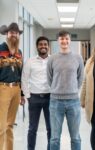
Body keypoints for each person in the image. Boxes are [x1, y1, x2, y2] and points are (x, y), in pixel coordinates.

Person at [47, 30, 84, 150]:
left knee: (75, 137)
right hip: (55, 102)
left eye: (66, 38)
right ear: (58, 41)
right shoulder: (52, 58)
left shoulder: (78, 58)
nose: (64, 41)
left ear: (70, 40)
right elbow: (49, 78)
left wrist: (73, 89)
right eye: (62, 39)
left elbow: (80, 77)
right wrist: (56, 89)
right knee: (54, 138)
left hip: (73, 101)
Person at [21, 36, 51, 150]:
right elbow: (24, 79)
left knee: (51, 128)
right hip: (34, 98)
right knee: (32, 128)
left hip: (50, 97)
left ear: (48, 46)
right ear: (37, 46)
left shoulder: (52, 60)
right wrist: (28, 96)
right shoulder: (30, 61)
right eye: (41, 44)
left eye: (45, 44)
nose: (43, 46)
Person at [0, 22, 24, 150]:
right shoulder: (0, 49)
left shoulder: (19, 52)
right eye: (11, 32)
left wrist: (22, 94)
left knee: (10, 125)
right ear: (6, 34)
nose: (13, 35)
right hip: (3, 88)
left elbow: (21, 73)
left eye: (16, 33)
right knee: (1, 126)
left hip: (16, 89)